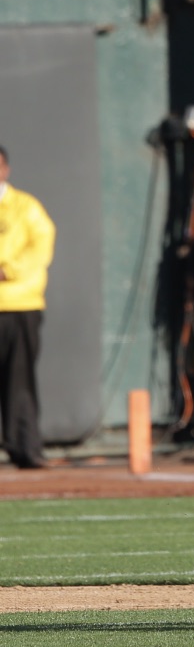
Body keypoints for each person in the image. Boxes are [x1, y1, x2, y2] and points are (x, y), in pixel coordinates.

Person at [0, 145, 56, 470]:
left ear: (6, 169)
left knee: (18, 380)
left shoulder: (26, 207)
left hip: (19, 305)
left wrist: (8, 270)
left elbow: (41, 247)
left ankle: (25, 448)